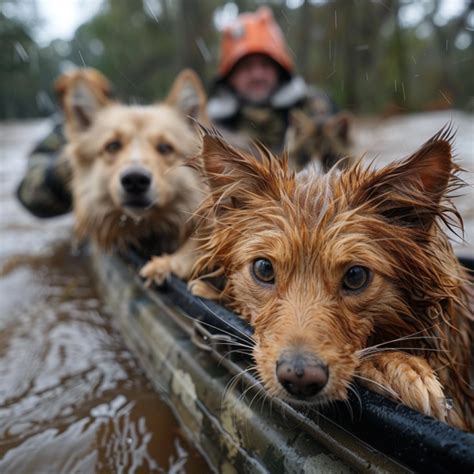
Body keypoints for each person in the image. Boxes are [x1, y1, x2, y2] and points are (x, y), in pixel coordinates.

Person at [17, 6, 337, 218]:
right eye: (245, 66)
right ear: (228, 75)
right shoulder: (213, 124)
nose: (256, 74)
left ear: (281, 70)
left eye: (264, 65)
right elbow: (29, 194)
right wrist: (81, 153)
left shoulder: (316, 110)